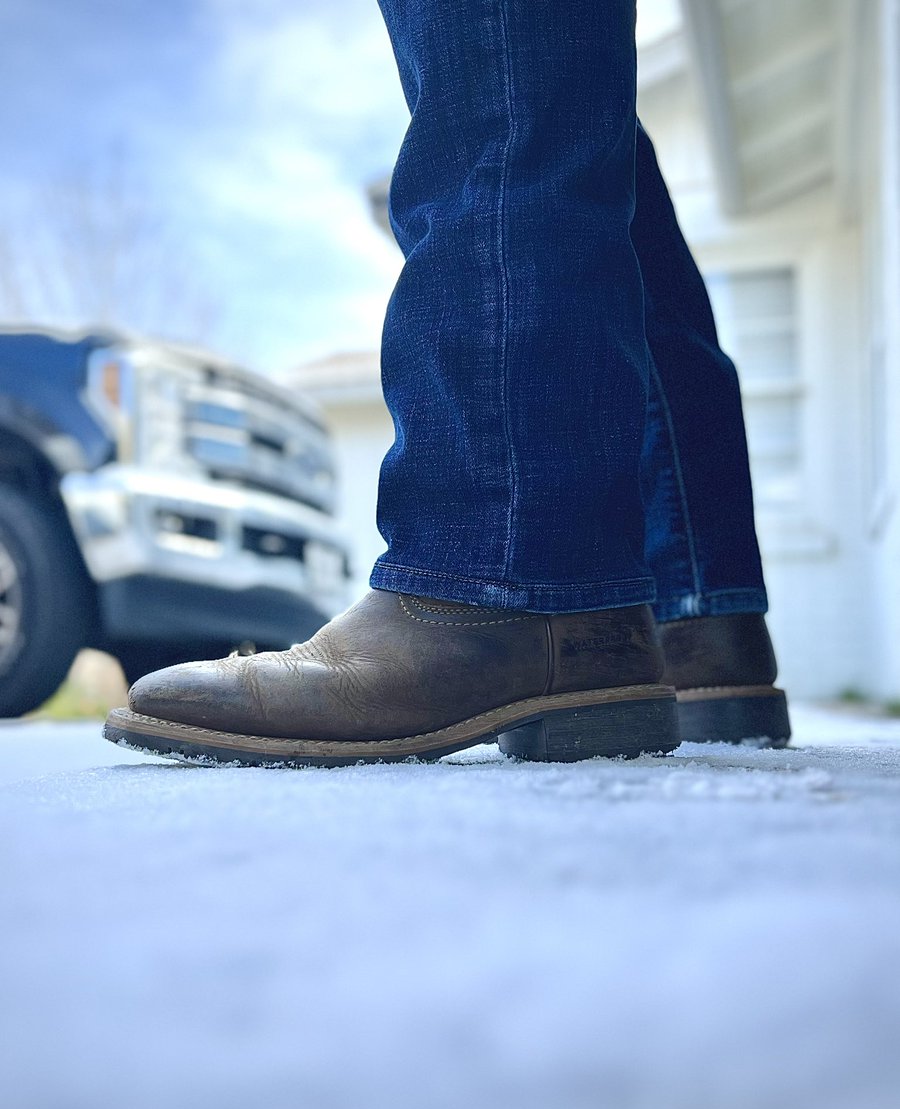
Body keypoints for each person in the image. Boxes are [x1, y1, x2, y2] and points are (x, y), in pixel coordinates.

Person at [103, 0, 789, 768]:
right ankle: (690, 615)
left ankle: (499, 588)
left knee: (502, 48)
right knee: (569, 106)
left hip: (523, 584)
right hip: (655, 594)